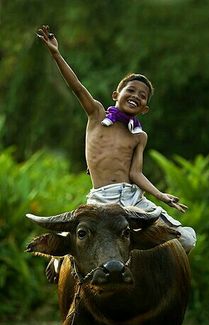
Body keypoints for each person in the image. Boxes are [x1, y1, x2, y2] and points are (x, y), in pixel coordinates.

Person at [37, 25, 196, 281]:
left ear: (145, 108)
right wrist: (56, 53)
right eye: (130, 90)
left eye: (142, 96)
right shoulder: (97, 115)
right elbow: (76, 86)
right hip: (100, 200)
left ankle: (156, 283)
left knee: (186, 239)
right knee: (72, 243)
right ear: (116, 95)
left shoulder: (139, 136)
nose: (135, 96)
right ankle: (63, 261)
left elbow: (136, 173)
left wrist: (161, 196)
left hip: (132, 199)